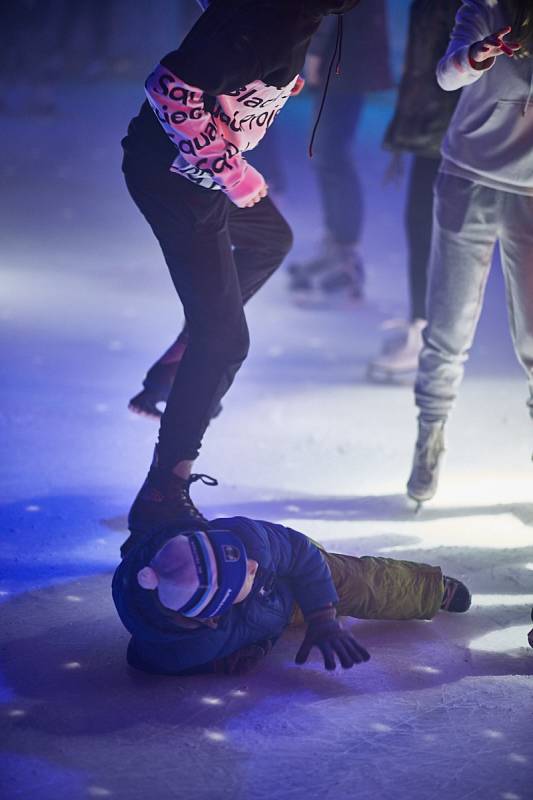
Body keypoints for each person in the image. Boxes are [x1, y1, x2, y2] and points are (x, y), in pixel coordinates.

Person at [120, 0, 364, 551]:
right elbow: (169, 88)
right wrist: (229, 169)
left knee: (269, 240)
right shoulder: (269, 18)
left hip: (197, 177)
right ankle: (163, 490)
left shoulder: (290, 17)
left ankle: (186, 353)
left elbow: (223, 46)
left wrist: (267, 93)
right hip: (177, 182)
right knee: (226, 339)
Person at [406, 0, 533, 506]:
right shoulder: (487, 7)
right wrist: (479, 55)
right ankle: (429, 437)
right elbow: (447, 73)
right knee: (449, 326)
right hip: (468, 176)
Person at [112, 516, 471, 676]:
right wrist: (219, 662)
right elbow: (145, 659)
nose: (250, 565)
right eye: (241, 575)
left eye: (241, 558)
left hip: (296, 569)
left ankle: (430, 590)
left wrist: (322, 615)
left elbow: (301, 554)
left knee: (356, 582)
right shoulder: (185, 646)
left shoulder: (249, 542)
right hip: (273, 615)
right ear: (211, 616)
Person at [367, 0, 461, 383]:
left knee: (437, 231)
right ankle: (424, 325)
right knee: (422, 225)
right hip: (431, 127)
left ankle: (431, 335)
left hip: (455, 128)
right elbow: (421, 64)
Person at [287, 3, 392, 307]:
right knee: (328, 152)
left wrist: (317, 50)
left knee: (330, 152)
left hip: (345, 54)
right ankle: (338, 248)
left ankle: (345, 254)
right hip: (348, 52)